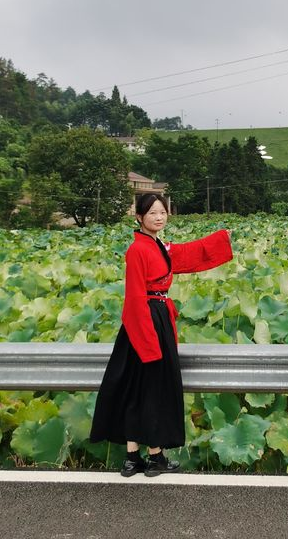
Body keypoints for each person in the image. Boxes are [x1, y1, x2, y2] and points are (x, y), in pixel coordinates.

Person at [89, 192, 233, 477]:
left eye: (162, 212)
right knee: (151, 389)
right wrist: (149, 345)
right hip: (145, 324)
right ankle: (153, 457)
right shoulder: (138, 250)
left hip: (154, 319)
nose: (159, 217)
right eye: (153, 213)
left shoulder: (158, 246)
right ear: (139, 217)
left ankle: (134, 458)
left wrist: (220, 238)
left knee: (137, 390)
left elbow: (188, 254)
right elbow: (133, 299)